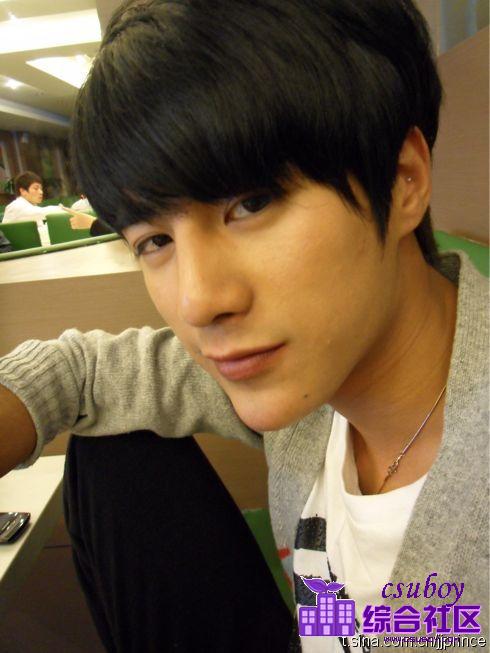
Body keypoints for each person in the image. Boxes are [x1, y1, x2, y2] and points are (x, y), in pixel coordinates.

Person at [0, 1, 488, 651]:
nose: (199, 302)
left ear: (402, 181)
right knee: (111, 448)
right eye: (154, 241)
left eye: (251, 203)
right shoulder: (310, 382)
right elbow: (81, 372)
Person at [2, 171, 60, 246]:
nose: (41, 192)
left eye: (41, 189)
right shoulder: (15, 206)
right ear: (23, 191)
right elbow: (42, 212)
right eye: (36, 188)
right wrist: (64, 209)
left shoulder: (31, 207)